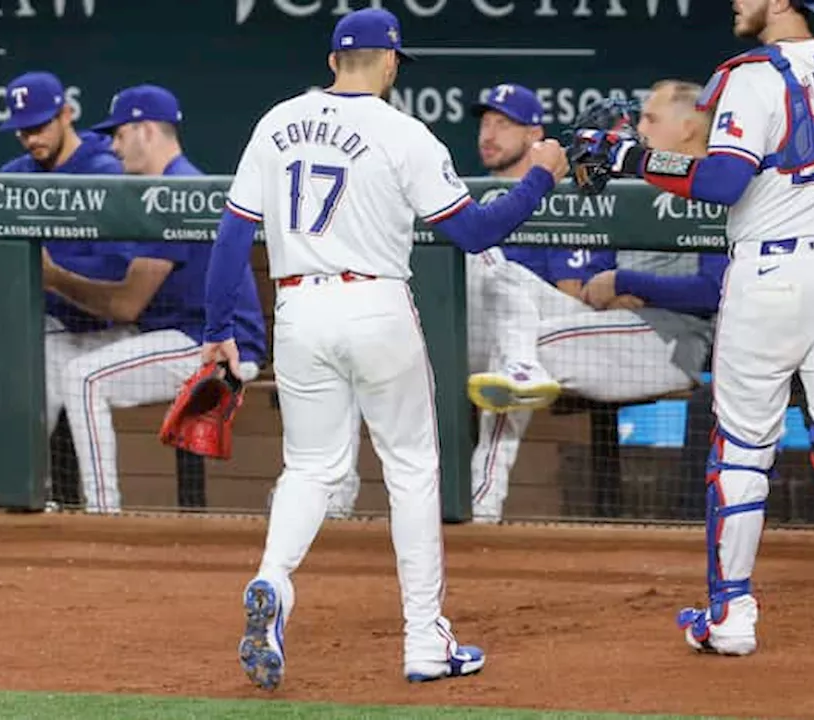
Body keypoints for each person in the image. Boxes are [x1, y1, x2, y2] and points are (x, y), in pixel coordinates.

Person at [200, 8, 568, 689]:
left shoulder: (276, 122)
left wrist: (217, 330)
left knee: (310, 467)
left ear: (333, 60)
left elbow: (230, 237)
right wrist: (541, 174)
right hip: (374, 303)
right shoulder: (405, 134)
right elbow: (477, 233)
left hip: (298, 308)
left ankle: (273, 578)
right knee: (411, 471)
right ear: (391, 62)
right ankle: (425, 641)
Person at [574, 0, 814, 661]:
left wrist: (633, 158)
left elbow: (726, 180)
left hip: (771, 275)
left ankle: (730, 615)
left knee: (741, 450)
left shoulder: (751, 74)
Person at [329, 82, 609, 523]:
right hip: (479, 335)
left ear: (534, 135)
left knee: (499, 271)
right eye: (485, 123)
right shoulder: (464, 196)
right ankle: (335, 494)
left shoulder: (558, 197)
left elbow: (576, 297)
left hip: (555, 327)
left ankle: (485, 501)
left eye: (503, 124)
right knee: (361, 348)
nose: (488, 133)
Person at [467, 80, 729, 524]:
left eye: (650, 118)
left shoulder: (718, 186)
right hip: (611, 324)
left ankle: (482, 503)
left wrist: (628, 281)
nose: (638, 126)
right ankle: (513, 379)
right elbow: (594, 264)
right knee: (499, 268)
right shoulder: (638, 183)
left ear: (688, 128)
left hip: (669, 340)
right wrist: (603, 282)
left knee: (522, 352)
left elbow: (714, 291)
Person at [0, 70, 135, 507]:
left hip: (92, 329)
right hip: (39, 323)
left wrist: (43, 269)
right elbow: (9, 263)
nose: (31, 138)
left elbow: (116, 271)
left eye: (39, 126)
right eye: (23, 130)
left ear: (66, 114)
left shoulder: (104, 170)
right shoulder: (16, 174)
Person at [53, 85, 268, 513]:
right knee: (68, 366)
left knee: (83, 378)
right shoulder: (163, 187)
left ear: (146, 131)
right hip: (185, 334)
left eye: (119, 135)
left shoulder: (176, 190)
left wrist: (51, 276)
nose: (113, 148)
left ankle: (102, 512)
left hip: (216, 347)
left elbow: (126, 305)